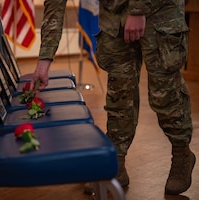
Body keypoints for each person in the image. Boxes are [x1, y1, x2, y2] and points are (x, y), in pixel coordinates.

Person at [30, 0, 196, 195]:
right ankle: (116, 163)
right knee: (119, 91)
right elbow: (55, 7)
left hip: (159, 11)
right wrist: (44, 60)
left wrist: (137, 10)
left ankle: (181, 154)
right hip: (114, 16)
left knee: (165, 92)